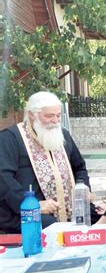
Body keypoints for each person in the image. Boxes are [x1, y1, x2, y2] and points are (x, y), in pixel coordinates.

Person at [0, 91, 95, 232]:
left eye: (57, 116)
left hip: (68, 208)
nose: (55, 121)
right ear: (32, 115)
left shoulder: (63, 135)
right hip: (24, 212)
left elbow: (79, 167)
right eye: (49, 116)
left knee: (99, 216)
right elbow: (3, 178)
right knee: (49, 224)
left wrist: (83, 189)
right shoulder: (11, 138)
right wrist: (34, 205)